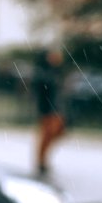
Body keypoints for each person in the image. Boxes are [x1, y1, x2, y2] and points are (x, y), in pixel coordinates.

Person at [33, 47, 67, 176]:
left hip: (57, 108)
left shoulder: (57, 72)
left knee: (57, 132)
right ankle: (41, 161)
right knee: (47, 135)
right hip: (48, 108)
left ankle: (43, 160)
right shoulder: (43, 72)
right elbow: (42, 90)